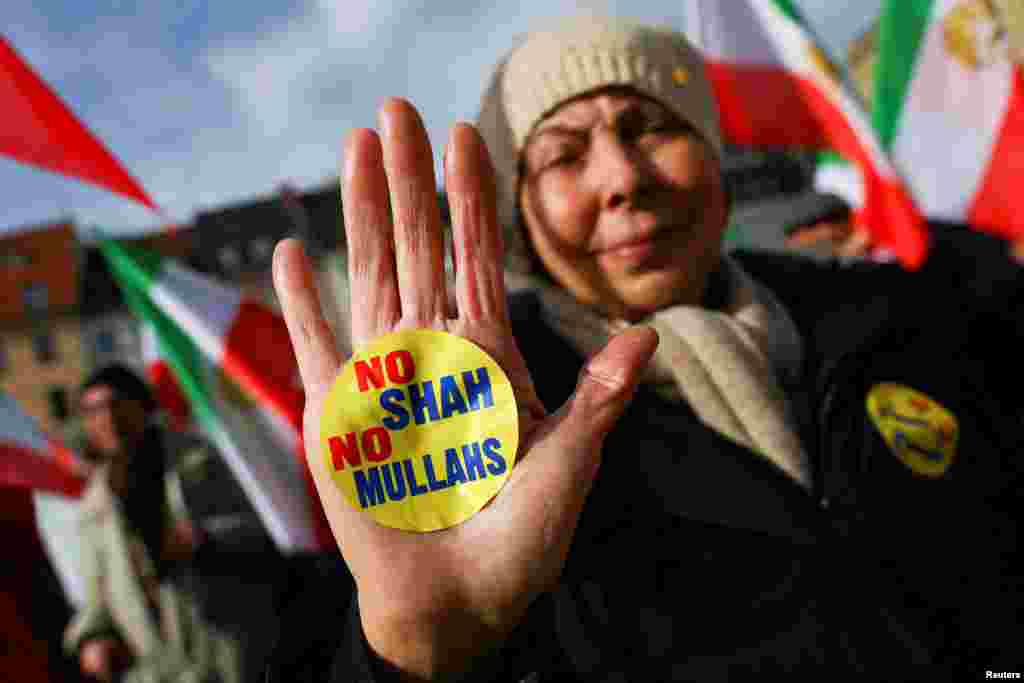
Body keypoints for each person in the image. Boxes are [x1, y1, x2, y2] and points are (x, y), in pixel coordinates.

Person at [267, 16, 1024, 680]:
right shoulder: (476, 414)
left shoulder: (887, 312)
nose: (623, 179)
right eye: (564, 156)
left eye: (651, 127)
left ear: (715, 157)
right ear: (518, 217)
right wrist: (425, 657)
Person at [63, 364, 245, 683]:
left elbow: (267, 533)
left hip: (222, 651)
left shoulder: (198, 461)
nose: (107, 418)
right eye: (92, 410)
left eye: (115, 403)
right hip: (153, 670)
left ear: (142, 405)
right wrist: (92, 637)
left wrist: (205, 539)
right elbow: (97, 595)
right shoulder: (93, 506)